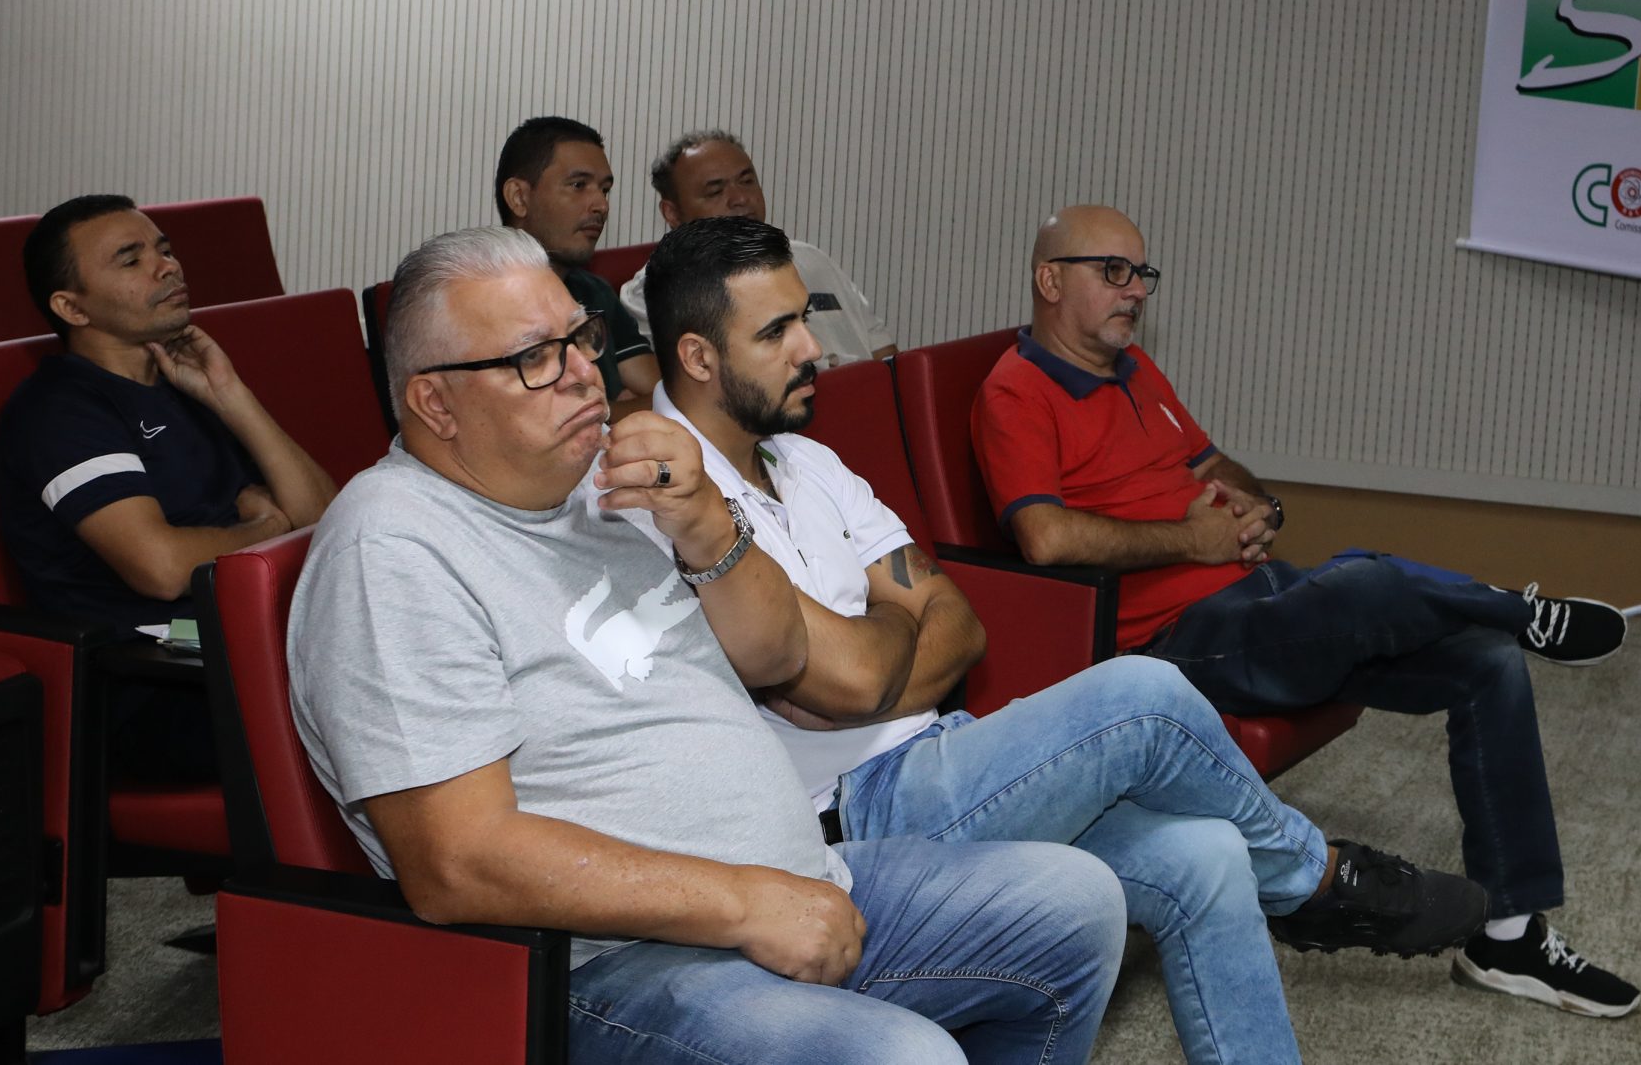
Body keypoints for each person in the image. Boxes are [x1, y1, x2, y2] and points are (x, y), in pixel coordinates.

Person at [639, 216, 1487, 1065]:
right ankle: (1312, 877)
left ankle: (1286, 883)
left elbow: (957, 624)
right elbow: (854, 674)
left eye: (803, 318)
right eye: (777, 329)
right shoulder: (667, 503)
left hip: (934, 751)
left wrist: (877, 647)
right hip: (851, 811)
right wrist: (887, 641)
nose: (813, 346)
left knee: (1212, 854)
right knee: (1139, 694)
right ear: (700, 357)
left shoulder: (805, 460)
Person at [287, 226, 1126, 1065]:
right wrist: (747, 901)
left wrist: (708, 527)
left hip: (798, 877)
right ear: (435, 402)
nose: (586, 370)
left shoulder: (601, 480)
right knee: (902, 1058)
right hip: (607, 964)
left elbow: (774, 656)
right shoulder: (391, 546)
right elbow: (455, 860)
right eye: (536, 357)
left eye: (581, 336)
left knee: (1077, 904)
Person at [973, 204, 1641, 1020]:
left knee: (1484, 665)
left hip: (1257, 603)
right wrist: (1193, 539)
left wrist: (1257, 507)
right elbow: (1042, 537)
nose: (1135, 290)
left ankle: (1506, 933)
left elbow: (1210, 459)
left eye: (1141, 273)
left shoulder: (1136, 372)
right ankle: (1516, 607)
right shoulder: (1015, 390)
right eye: (1112, 271)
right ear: (1050, 279)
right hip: (1177, 644)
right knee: (1369, 580)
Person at [0, 195, 336, 781]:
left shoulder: (182, 386)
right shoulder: (60, 414)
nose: (166, 266)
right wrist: (267, 528)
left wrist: (233, 397)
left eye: (165, 249)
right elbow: (162, 568)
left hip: (247, 643)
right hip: (154, 688)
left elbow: (324, 517)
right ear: (71, 307)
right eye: (130, 260)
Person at [619, 130, 896, 366]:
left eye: (747, 181)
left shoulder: (810, 258)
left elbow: (886, 355)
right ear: (672, 213)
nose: (740, 198)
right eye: (716, 191)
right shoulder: (655, 293)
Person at [492, 115, 660, 410]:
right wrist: (611, 408)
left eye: (604, 189)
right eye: (578, 185)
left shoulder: (594, 290)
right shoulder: (479, 298)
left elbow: (662, 400)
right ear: (519, 197)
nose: (601, 205)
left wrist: (600, 410)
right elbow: (528, 425)